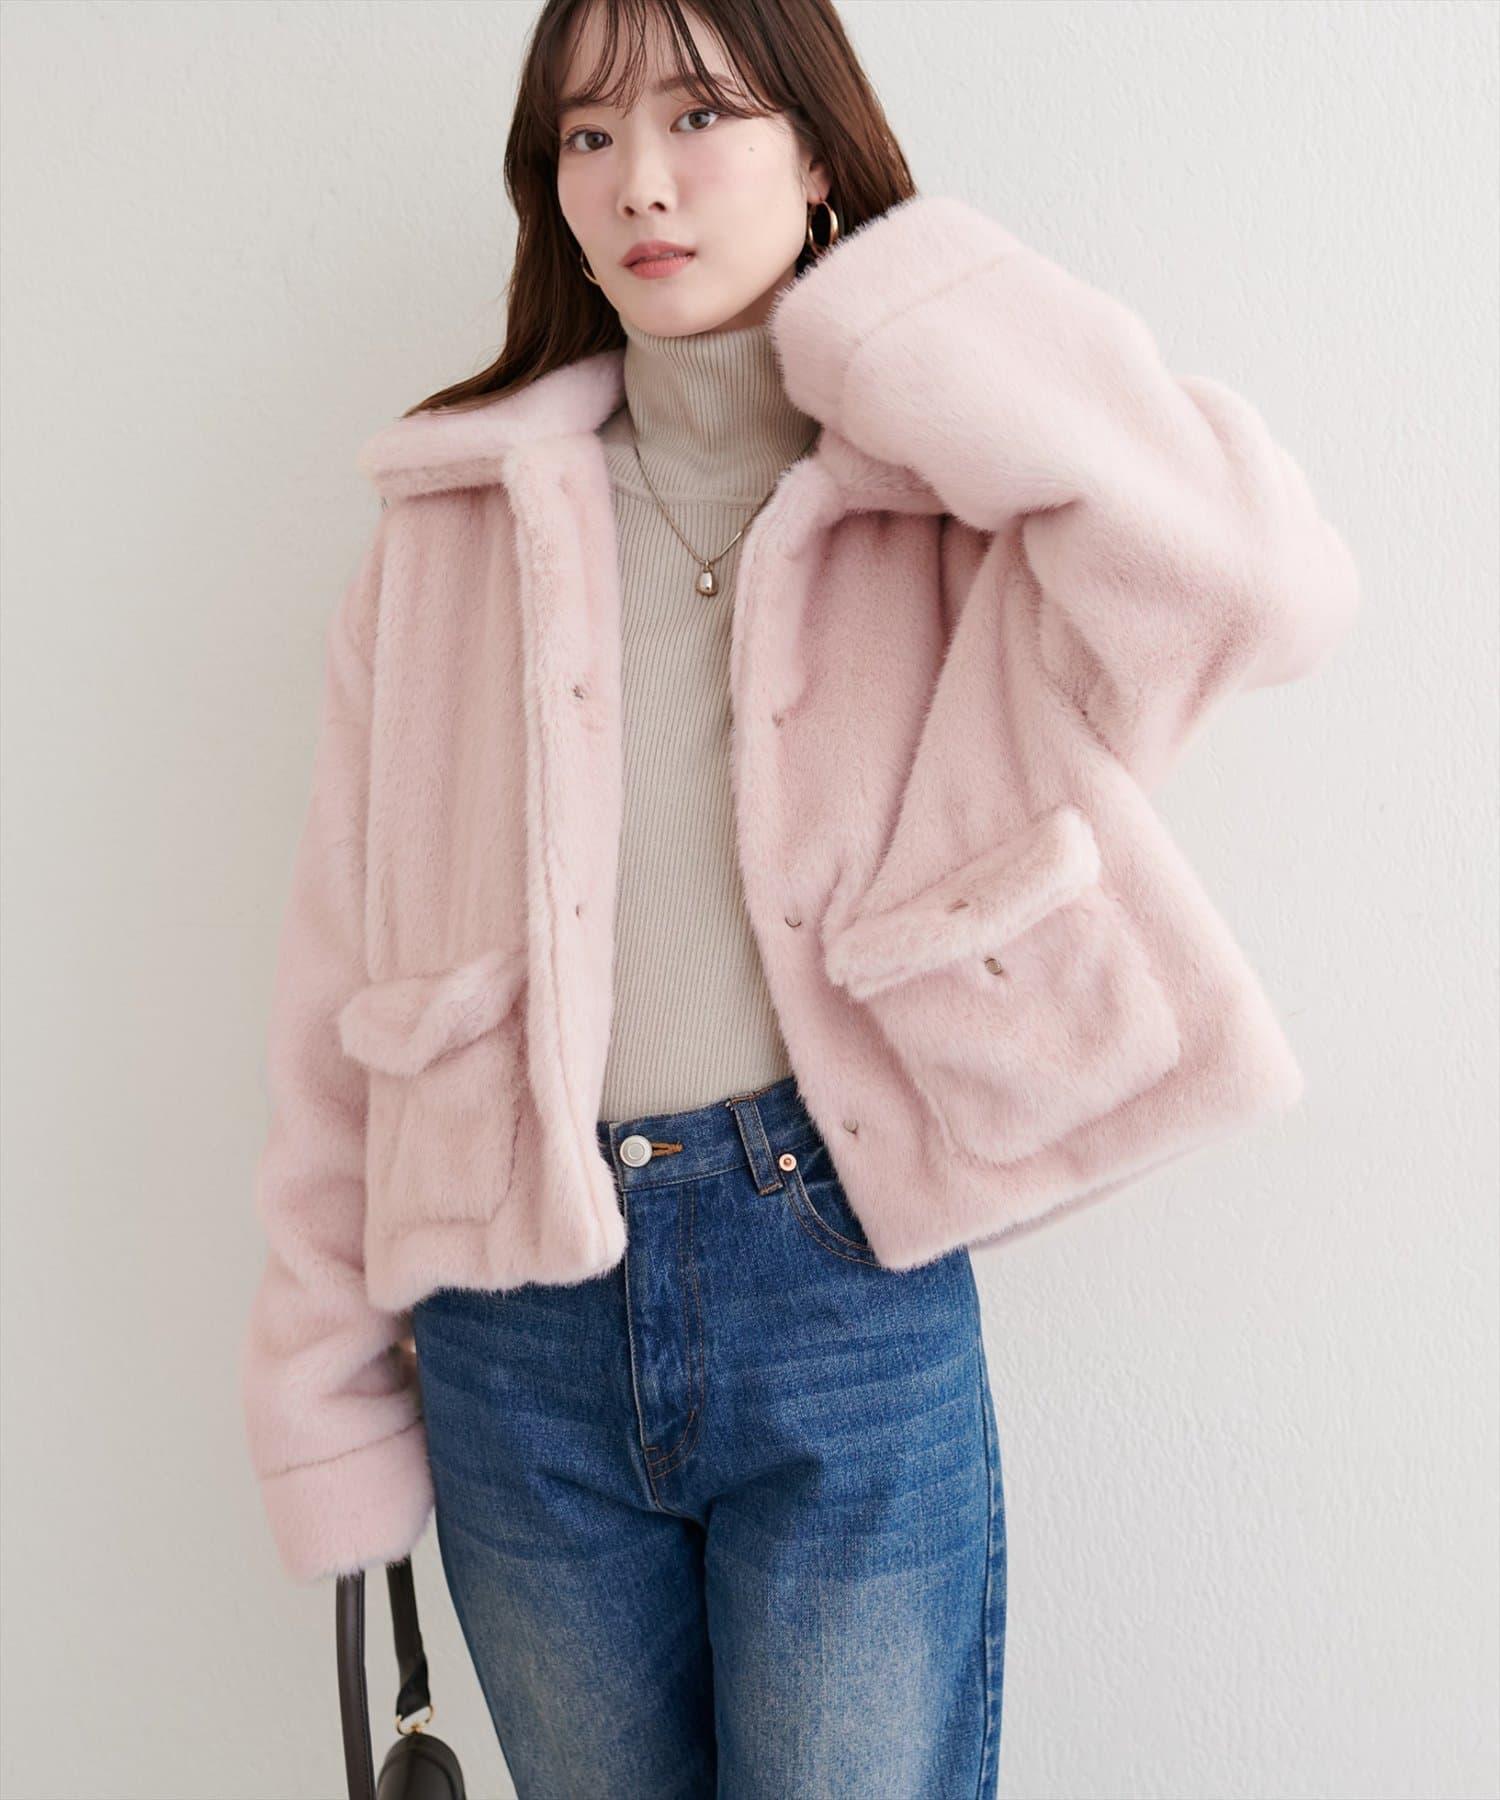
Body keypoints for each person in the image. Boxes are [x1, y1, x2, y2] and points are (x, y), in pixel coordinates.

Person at [240, 0, 1360, 1793]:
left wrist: (903, 313)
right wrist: (325, 1382)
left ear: (820, 151)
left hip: (836, 1276)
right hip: (512, 1335)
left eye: (700, 116)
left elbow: (1258, 582)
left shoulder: (951, 506)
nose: (639, 181)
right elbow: (337, 984)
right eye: (588, 135)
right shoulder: (450, 525)